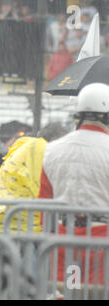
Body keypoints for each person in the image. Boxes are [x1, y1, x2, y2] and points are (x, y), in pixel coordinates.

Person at [39, 83, 109, 286]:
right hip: (102, 242)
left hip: (63, 240)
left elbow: (44, 201)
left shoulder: (52, 150)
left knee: (69, 291)